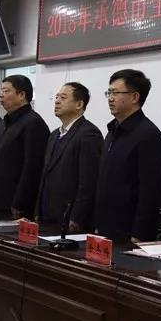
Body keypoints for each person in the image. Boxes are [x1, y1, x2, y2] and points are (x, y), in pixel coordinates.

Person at [94, 69, 161, 244]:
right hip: (105, 227)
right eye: (108, 93)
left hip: (129, 232)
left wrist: (140, 233)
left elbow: (151, 191)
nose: (110, 98)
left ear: (134, 97)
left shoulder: (148, 134)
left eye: (115, 93)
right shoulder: (112, 131)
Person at [0, 75, 48, 219]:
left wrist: (20, 202)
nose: (1, 95)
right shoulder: (4, 122)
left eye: (6, 91)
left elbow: (33, 167)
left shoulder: (33, 123)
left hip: (17, 204)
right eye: (1, 91)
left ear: (21, 95)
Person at [35, 82, 102, 231]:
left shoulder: (89, 134)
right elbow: (45, 175)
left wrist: (78, 216)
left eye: (63, 97)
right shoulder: (54, 135)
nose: (57, 101)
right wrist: (38, 209)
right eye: (56, 97)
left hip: (69, 217)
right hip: (47, 213)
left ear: (79, 104)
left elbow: (89, 181)